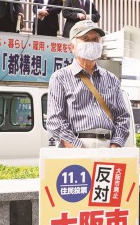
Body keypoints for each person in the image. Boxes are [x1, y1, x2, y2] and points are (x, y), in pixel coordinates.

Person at [46, 20, 130, 148]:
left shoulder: (112, 79)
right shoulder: (59, 78)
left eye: (95, 39)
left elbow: (123, 117)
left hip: (108, 147)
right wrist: (78, 148)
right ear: (72, 47)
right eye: (86, 39)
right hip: (75, 146)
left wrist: (115, 146)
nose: (92, 43)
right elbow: (55, 121)